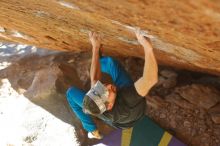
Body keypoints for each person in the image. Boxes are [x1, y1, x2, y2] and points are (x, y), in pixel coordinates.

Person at [66, 28, 158, 139]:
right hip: (133, 113)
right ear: (109, 106)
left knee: (71, 93)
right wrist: (148, 48)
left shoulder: (97, 102)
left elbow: (94, 79)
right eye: (107, 91)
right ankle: (92, 128)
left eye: (101, 87)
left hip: (105, 106)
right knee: (112, 65)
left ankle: (91, 130)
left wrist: (95, 46)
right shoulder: (127, 99)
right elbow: (150, 80)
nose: (109, 86)